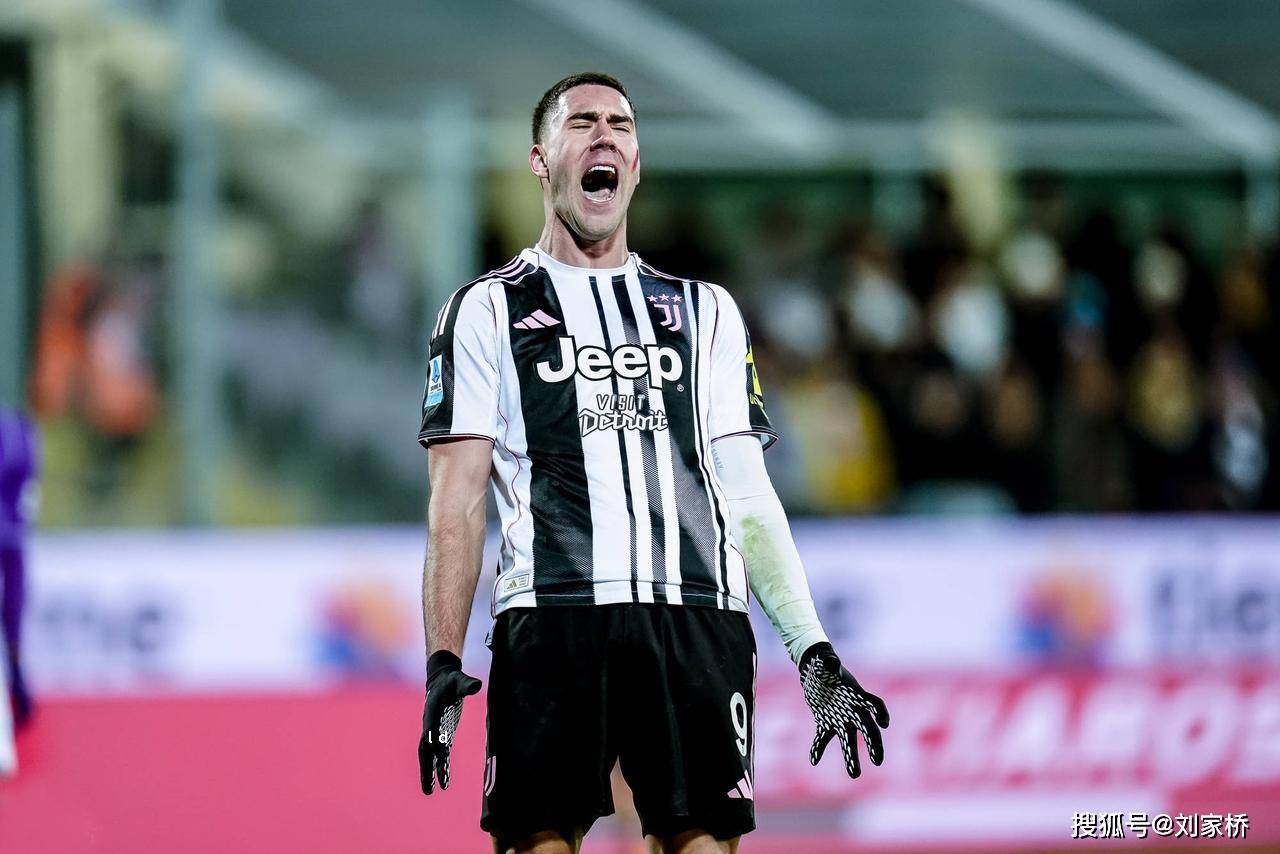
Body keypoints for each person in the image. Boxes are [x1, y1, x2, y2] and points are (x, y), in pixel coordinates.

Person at [415, 73, 889, 854]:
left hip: (694, 615)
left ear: (635, 163)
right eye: (582, 123)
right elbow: (456, 500)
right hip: (553, 615)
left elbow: (747, 496)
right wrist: (442, 658)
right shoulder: (485, 309)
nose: (604, 135)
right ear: (541, 160)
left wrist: (812, 649)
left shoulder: (706, 311)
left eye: (621, 125)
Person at [0, 405, 39, 773]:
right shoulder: (22, 431)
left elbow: (28, 490)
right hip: (13, 538)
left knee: (13, 620)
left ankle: (17, 676)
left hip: (11, 539)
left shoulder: (19, 430)